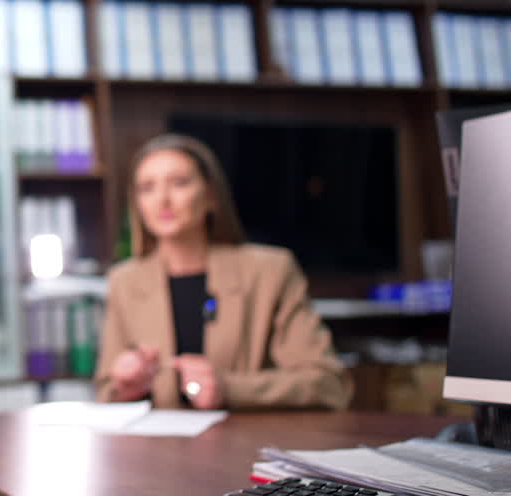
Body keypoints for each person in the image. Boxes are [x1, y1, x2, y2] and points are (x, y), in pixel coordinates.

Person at [95, 133, 351, 410]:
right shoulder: (125, 281)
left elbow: (328, 384)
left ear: (211, 195)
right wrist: (127, 387)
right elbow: (106, 390)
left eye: (179, 183)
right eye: (147, 188)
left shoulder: (270, 271)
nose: (162, 199)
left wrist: (231, 389)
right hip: (157, 449)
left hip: (245, 444)